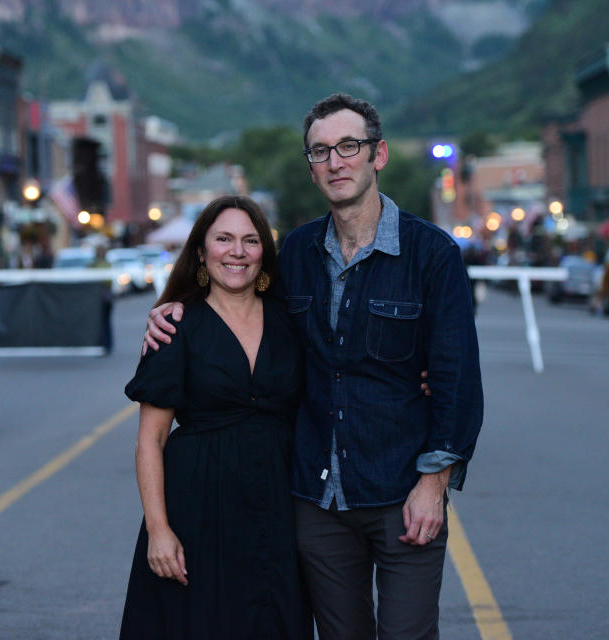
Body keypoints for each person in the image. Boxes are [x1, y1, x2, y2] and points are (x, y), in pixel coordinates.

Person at [145, 93, 483, 640]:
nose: (335, 161)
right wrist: (173, 308)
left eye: (348, 146)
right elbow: (236, 299)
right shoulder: (296, 254)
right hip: (314, 500)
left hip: (402, 491)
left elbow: (457, 380)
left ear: (378, 155)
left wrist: (433, 482)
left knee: (406, 634)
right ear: (310, 167)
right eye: (320, 151)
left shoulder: (433, 254)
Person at [119, 195, 312, 640]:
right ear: (202, 252)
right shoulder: (175, 327)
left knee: (275, 621)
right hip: (198, 510)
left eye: (250, 240)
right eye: (223, 239)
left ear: (264, 251)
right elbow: (151, 441)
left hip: (279, 507)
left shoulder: (291, 320)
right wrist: (158, 530)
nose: (237, 251)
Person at [89, 244, 113, 355]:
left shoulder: (94, 265)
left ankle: (103, 344)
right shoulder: (108, 264)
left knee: (101, 322)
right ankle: (108, 345)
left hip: (99, 297)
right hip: (107, 296)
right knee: (107, 321)